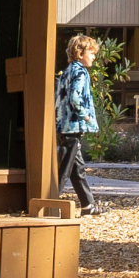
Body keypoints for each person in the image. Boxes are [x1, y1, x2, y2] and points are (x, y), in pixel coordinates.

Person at [55, 33, 100, 213]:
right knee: (64, 169)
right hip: (73, 125)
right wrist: (86, 116)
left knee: (77, 168)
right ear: (80, 53)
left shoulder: (67, 71)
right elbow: (75, 97)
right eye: (92, 53)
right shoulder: (80, 72)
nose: (94, 57)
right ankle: (50, 202)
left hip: (63, 125)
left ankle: (88, 204)